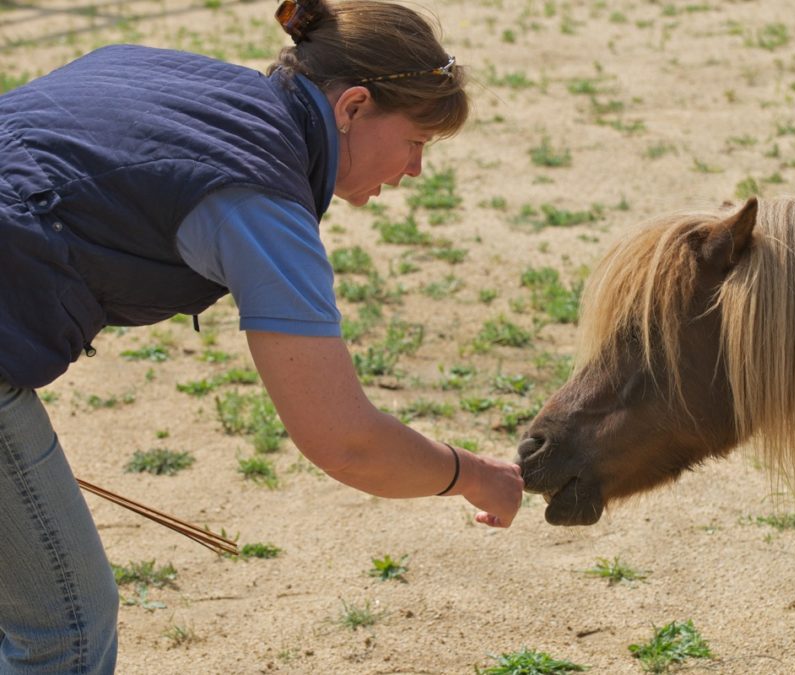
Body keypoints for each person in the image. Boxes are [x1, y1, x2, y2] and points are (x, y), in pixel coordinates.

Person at [0, 0, 525, 671]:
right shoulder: (260, 198)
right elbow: (348, 441)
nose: (415, 171)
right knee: (65, 627)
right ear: (354, 106)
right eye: (417, 142)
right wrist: (473, 475)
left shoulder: (158, 70)